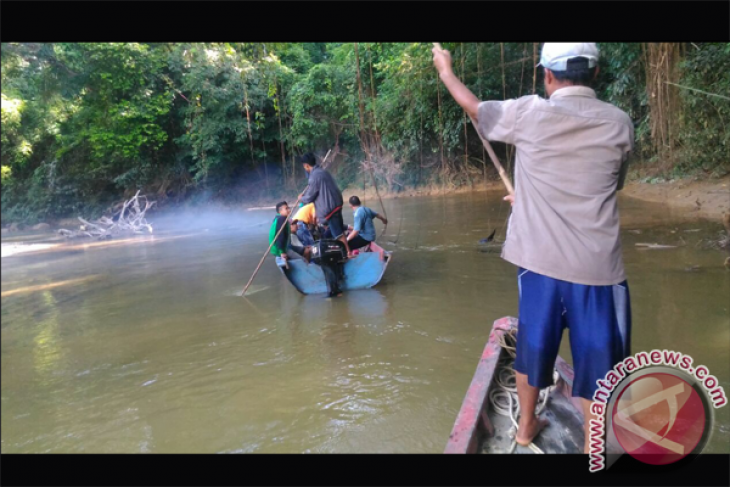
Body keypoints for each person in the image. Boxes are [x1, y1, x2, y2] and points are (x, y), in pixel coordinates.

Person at [433, 42, 634, 453]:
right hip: (597, 273)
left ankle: (524, 428)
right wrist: (531, 198)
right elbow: (607, 186)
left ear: (547, 75)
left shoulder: (529, 112)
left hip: (539, 268)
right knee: (598, 374)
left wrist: (446, 71)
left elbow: (474, 107)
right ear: (595, 74)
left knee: (531, 354)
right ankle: (597, 451)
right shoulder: (620, 123)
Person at [298, 152, 351, 257]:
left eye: (304, 167)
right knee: (339, 230)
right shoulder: (322, 172)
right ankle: (345, 251)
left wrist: (301, 198)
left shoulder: (314, 177)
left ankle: (348, 253)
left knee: (338, 234)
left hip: (329, 208)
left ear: (306, 165)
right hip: (336, 204)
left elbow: (309, 197)